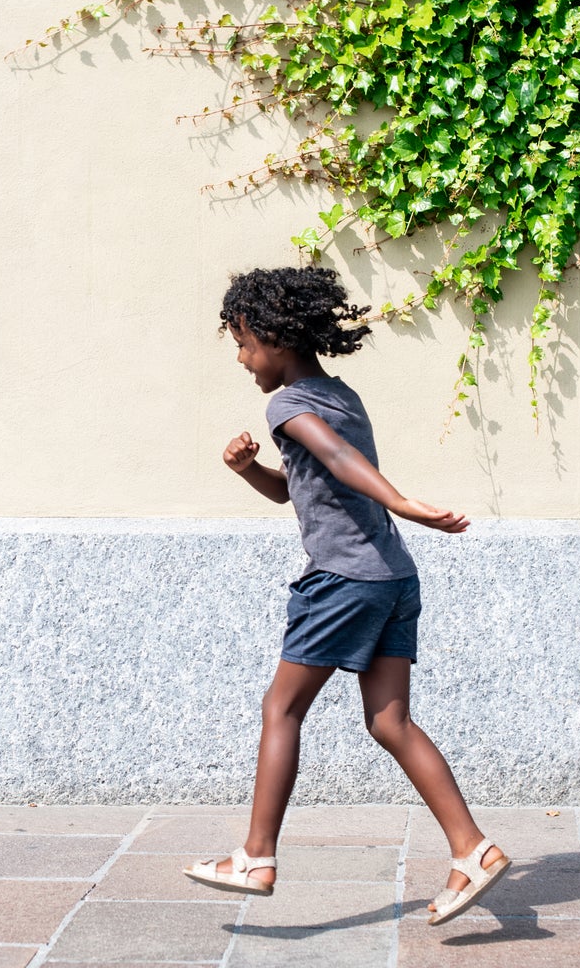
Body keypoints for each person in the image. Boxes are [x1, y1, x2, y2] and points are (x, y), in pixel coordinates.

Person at [182, 266, 511, 926]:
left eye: (244, 344)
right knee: (389, 722)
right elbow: (299, 487)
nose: (243, 360)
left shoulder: (287, 405)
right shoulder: (339, 394)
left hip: (342, 582)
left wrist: (403, 502)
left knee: (281, 709)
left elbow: (337, 461)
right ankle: (472, 850)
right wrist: (251, 472)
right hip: (391, 576)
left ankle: (255, 856)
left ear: (274, 336)